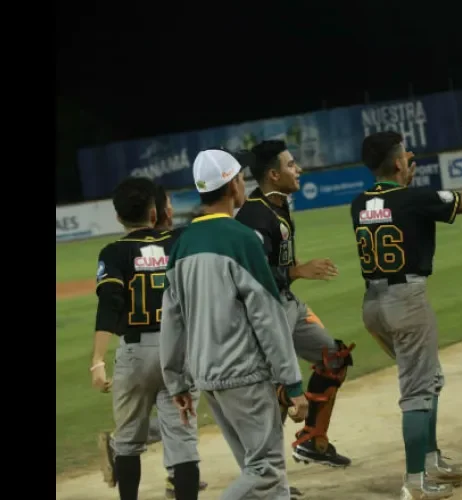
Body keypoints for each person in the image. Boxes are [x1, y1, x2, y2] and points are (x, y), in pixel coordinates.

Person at [352, 123, 462, 499]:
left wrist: (403, 176)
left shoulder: (358, 203)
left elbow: (392, 206)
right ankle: (415, 481)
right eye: (405, 155)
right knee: (418, 390)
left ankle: (430, 460)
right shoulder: (413, 198)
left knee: (429, 379)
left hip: (374, 304)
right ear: (399, 164)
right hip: (407, 301)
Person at [159, 149, 308, 499]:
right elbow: (267, 317)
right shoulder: (242, 239)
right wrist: (292, 382)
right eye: (241, 178)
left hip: (206, 375)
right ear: (233, 186)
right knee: (267, 472)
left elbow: (172, 319)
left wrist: (177, 382)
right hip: (244, 373)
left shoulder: (181, 245)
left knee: (264, 481)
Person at [235, 140, 354, 469]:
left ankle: (313, 441)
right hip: (265, 313)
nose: (298, 169)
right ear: (273, 174)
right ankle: (268, 474)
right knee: (278, 390)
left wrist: (294, 267)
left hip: (288, 303)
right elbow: (252, 277)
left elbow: (278, 255)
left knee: (334, 358)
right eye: (290, 165)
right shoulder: (254, 217)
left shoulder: (278, 203)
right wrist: (297, 270)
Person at [90, 177, 201, 500]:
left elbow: (110, 304)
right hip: (179, 351)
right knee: (183, 447)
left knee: (126, 444)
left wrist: (97, 360)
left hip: (135, 353)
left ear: (118, 217)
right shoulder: (179, 240)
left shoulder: (113, 252)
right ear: (156, 212)